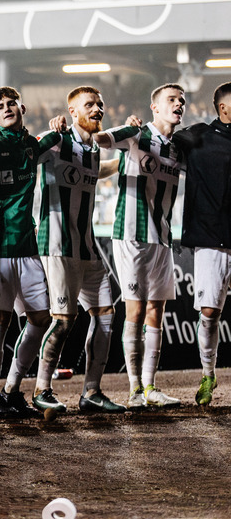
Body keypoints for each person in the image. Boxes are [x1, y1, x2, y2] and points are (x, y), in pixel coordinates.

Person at [0, 88, 64, 417]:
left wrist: (59, 124)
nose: (7, 108)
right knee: (0, 319)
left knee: (40, 319)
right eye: (0, 107)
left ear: (22, 107)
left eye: (12, 104)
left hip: (26, 243)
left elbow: (52, 138)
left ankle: (11, 388)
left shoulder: (30, 144)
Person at [33, 86, 122, 414]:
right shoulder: (56, 140)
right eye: (90, 105)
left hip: (87, 246)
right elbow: (27, 153)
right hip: (57, 244)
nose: (98, 109)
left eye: (100, 103)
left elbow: (97, 172)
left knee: (105, 316)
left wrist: (123, 162)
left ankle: (91, 392)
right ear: (72, 112)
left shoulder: (93, 149)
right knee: (63, 321)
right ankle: (41, 388)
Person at [97, 84, 185, 408]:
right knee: (134, 308)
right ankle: (134, 390)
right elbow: (100, 140)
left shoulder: (179, 148)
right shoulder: (136, 135)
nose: (179, 105)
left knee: (156, 310)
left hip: (162, 236)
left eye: (182, 101)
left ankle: (150, 388)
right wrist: (120, 127)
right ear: (155, 107)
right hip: (132, 234)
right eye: (172, 100)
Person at [173, 81, 231, 405]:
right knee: (209, 313)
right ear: (223, 108)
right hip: (211, 240)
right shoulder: (197, 137)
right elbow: (159, 146)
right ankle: (208, 373)